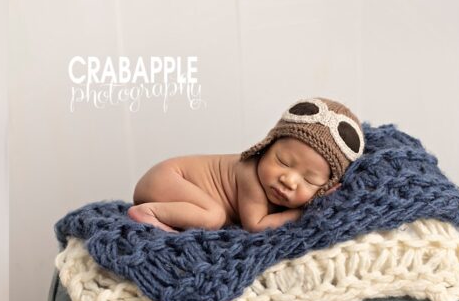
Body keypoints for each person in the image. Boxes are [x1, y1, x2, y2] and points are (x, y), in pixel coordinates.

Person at [127, 98, 364, 232]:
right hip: (168, 178)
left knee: (213, 215)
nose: (289, 180)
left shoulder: (275, 182)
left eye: (309, 180)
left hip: (171, 183)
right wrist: (304, 211)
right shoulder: (250, 174)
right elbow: (256, 225)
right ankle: (147, 213)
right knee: (214, 216)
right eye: (282, 161)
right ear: (265, 147)